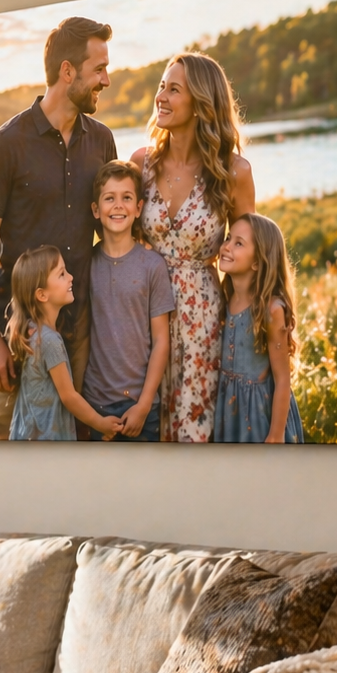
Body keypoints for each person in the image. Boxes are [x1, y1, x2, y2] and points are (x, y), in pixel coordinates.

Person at [0, 16, 118, 439]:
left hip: (84, 330)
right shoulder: (7, 145)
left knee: (81, 446)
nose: (106, 80)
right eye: (99, 69)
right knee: (14, 448)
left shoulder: (102, 141)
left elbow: (116, 222)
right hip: (22, 338)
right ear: (67, 72)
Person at [129, 52, 257, 442]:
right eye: (161, 87)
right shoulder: (141, 164)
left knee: (195, 437)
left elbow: (248, 257)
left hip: (204, 325)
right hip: (143, 317)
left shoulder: (233, 172)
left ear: (201, 102)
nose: (161, 97)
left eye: (174, 89)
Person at [80, 160, 174, 442]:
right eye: (109, 198)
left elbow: (161, 342)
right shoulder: (87, 264)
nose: (118, 206)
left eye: (126, 198)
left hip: (142, 407)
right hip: (96, 405)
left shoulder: (152, 266)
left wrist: (144, 406)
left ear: (138, 208)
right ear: (96, 210)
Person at [5, 246, 123, 442]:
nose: (71, 277)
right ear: (42, 295)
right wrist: (100, 423)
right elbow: (69, 397)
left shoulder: (32, 330)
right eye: (61, 274)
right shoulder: (49, 340)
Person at [213, 214, 304, 443]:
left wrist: (275, 435)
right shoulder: (225, 297)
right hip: (229, 413)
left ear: (257, 261)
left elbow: (282, 379)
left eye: (238, 243)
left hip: (260, 416)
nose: (226, 246)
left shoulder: (271, 310)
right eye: (228, 238)